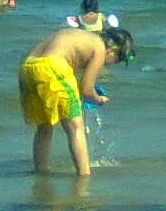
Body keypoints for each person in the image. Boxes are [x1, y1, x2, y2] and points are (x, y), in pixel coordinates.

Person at [19, 25, 135, 175]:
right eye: (117, 60)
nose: (111, 64)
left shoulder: (83, 36)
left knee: (44, 126)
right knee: (75, 127)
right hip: (52, 67)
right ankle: (84, 175)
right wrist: (98, 99)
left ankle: (41, 172)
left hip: (28, 67)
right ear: (112, 49)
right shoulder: (99, 48)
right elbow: (86, 89)